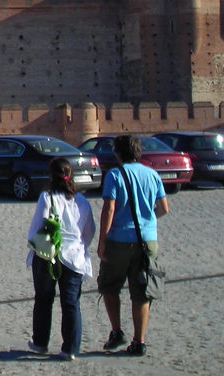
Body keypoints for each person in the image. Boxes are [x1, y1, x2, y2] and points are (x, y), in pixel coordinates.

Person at [97, 134, 169, 357]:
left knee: (110, 286)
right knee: (142, 291)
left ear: (117, 153)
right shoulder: (152, 174)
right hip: (147, 241)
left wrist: (102, 242)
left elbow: (109, 209)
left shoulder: (114, 175)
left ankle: (117, 331)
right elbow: (164, 208)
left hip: (119, 239)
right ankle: (139, 341)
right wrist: (148, 221)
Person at [26, 157, 96, 361]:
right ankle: (71, 349)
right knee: (71, 302)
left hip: (49, 256)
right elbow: (90, 230)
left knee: (43, 299)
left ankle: (40, 342)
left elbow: (36, 228)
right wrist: (79, 246)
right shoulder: (81, 201)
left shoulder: (47, 198)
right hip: (74, 257)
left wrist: (32, 244)